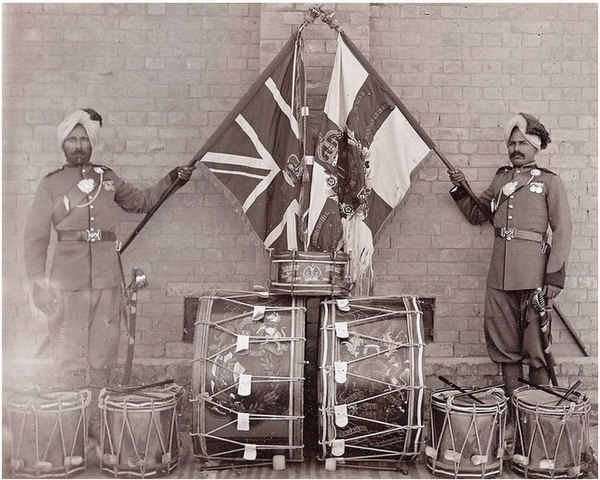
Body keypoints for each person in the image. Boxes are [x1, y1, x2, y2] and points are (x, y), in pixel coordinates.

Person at [23, 108, 194, 434]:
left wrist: (172, 179)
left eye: (83, 139)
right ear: (63, 144)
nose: (77, 145)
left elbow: (142, 202)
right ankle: (71, 433)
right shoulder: (51, 184)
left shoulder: (108, 178)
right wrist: (37, 283)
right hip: (67, 283)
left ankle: (98, 430)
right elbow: (35, 238)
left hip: (105, 281)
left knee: (102, 358)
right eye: (72, 139)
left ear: (92, 143)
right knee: (70, 359)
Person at [447, 113, 572, 418]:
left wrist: (554, 278)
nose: (516, 148)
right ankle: (515, 416)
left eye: (523, 143)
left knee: (537, 349)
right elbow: (478, 215)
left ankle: (538, 419)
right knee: (504, 347)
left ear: (535, 147)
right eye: (512, 143)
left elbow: (563, 230)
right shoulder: (501, 179)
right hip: (500, 277)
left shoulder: (548, 182)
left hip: (533, 277)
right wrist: (461, 189)